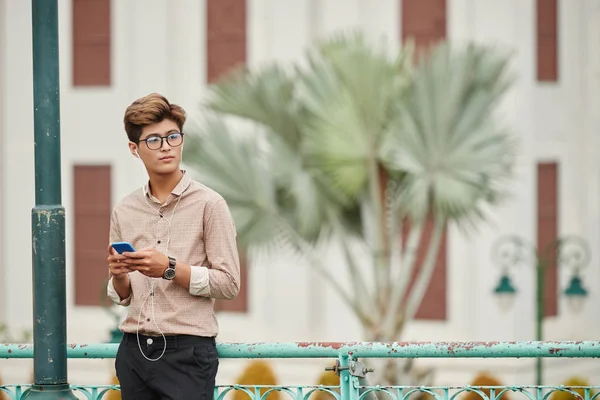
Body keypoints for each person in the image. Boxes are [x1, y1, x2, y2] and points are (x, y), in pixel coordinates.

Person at [106, 93, 240, 400]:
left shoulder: (210, 204)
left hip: (188, 354)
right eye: (153, 140)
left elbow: (229, 283)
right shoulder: (124, 210)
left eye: (172, 136)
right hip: (133, 351)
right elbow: (122, 296)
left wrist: (169, 268)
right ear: (134, 149)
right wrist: (118, 275)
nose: (166, 146)